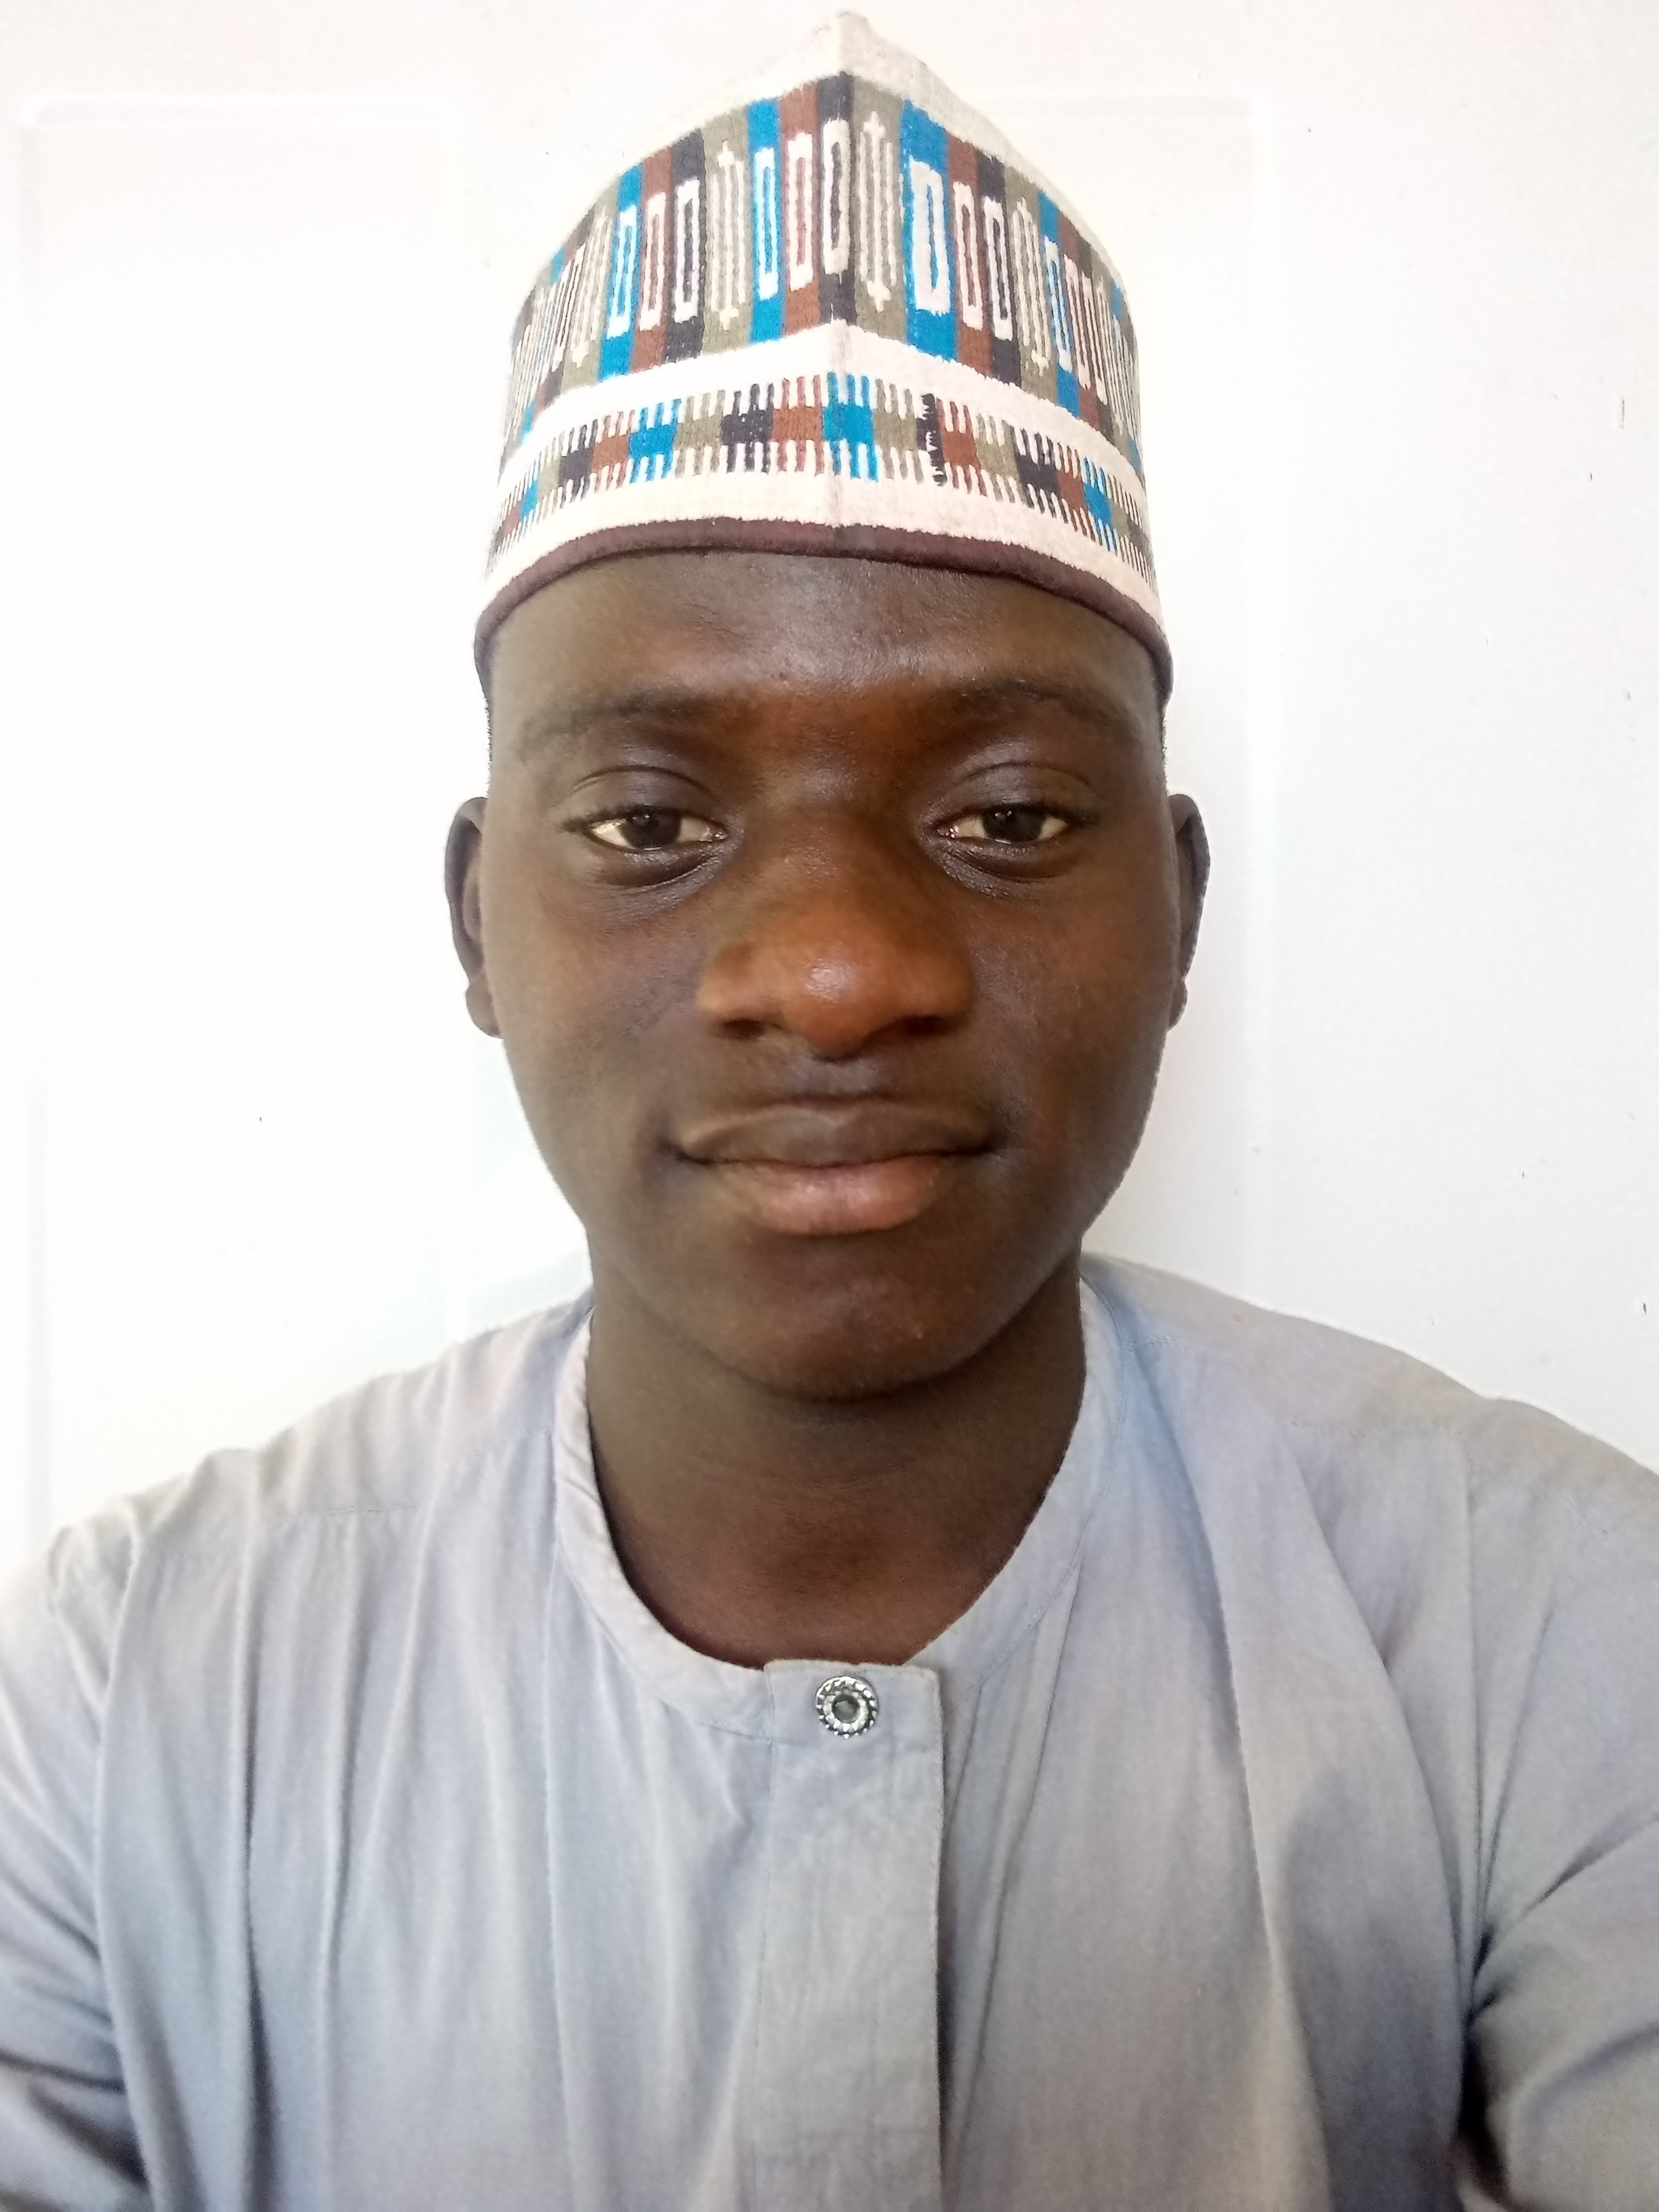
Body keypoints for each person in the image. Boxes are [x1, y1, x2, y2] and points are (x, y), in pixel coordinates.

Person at [1, 15, 1655, 2209]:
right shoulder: (123, 1703)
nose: (838, 971)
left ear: (1178, 910)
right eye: (651, 823)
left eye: (1009, 815)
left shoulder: (1554, 1630)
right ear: (477, 924)